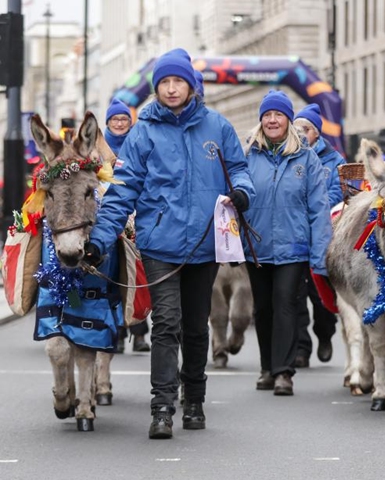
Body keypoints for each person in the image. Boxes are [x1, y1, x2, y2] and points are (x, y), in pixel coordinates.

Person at [85, 48, 255, 439]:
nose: (172, 88)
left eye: (179, 81)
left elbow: (240, 171)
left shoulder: (218, 127)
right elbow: (122, 192)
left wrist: (243, 194)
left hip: (204, 243)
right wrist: (99, 241)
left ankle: (193, 400)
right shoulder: (143, 131)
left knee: (196, 326)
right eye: (165, 82)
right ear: (156, 88)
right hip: (160, 243)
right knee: (165, 324)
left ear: (191, 85)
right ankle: (161, 407)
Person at [243, 90, 332, 396]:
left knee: (285, 306)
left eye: (278, 115)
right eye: (267, 115)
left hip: (293, 247)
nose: (271, 120)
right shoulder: (247, 156)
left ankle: (283, 372)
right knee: (263, 309)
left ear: (289, 121)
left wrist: (320, 254)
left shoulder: (306, 158)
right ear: (260, 121)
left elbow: (319, 209)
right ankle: (267, 367)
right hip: (256, 246)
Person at [293, 103, 345, 366]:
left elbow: (338, 194)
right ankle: (301, 348)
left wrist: (312, 203)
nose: (301, 133)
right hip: (292, 235)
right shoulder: (288, 154)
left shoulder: (334, 160)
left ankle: (325, 334)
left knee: (320, 292)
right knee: (295, 296)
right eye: (297, 127)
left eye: (306, 128)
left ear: (317, 134)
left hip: (322, 237)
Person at [103, 98, 152, 354]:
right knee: (115, 277)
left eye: (123, 119)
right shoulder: (99, 147)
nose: (120, 123)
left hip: (134, 214)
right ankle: (119, 333)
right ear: (108, 122)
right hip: (110, 215)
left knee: (136, 274)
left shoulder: (139, 143)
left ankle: (140, 331)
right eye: (115, 119)